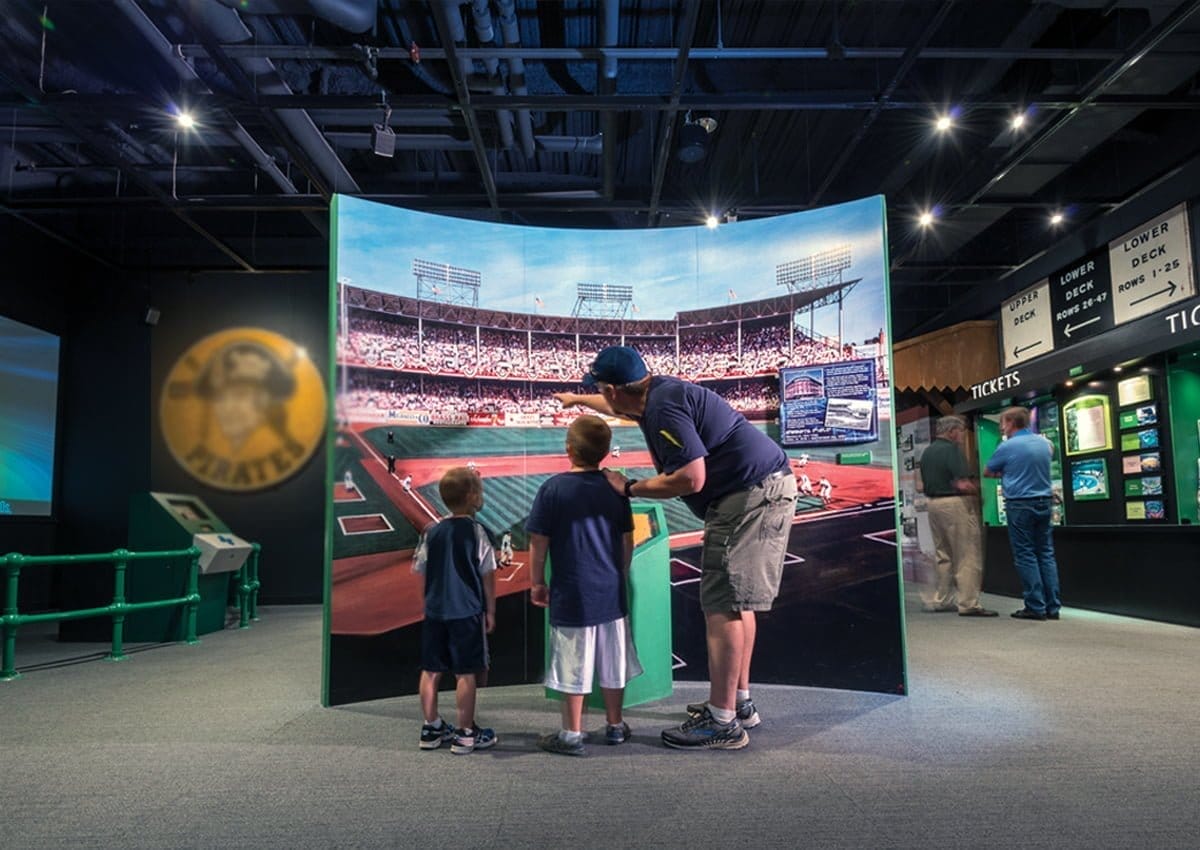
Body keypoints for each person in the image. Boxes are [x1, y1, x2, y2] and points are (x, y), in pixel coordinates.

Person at [554, 346, 796, 751]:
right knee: (738, 603)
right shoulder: (654, 394)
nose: (599, 394)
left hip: (748, 495)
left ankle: (722, 722)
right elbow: (614, 405)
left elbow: (691, 478)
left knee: (723, 604)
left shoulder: (662, 409)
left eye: (597, 389)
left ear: (614, 389)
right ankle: (738, 703)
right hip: (760, 488)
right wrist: (578, 399)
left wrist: (628, 487)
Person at [527, 415, 643, 756]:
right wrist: (618, 572)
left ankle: (572, 735)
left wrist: (536, 582)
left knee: (571, 665)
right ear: (606, 451)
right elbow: (627, 540)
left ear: (568, 449)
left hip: (571, 593)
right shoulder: (615, 489)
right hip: (610, 592)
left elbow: (538, 542)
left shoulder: (552, 488)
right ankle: (615, 726)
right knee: (613, 662)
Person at [412, 467, 498, 753]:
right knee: (465, 673)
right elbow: (487, 574)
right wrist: (490, 611)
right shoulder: (477, 532)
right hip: (467, 612)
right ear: (472, 496)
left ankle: (431, 726)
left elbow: (421, 568)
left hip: (435, 611)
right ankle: (465, 732)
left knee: (431, 670)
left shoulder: (432, 531)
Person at [983, 407, 1061, 621]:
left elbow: (988, 471)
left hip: (1019, 504)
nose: (1002, 428)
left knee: (1025, 554)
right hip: (1045, 502)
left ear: (1010, 423)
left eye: (1003, 423)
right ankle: (1053, 606)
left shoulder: (1007, 446)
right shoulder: (1045, 443)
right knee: (1046, 553)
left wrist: (1008, 472)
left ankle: (1035, 606)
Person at [919, 416, 996, 617]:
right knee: (967, 553)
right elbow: (963, 483)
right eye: (961, 431)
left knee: (943, 554)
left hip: (933, 505)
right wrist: (979, 493)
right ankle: (968, 602)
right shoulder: (952, 450)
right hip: (954, 504)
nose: (962, 435)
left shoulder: (928, 451)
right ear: (952, 431)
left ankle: (942, 600)